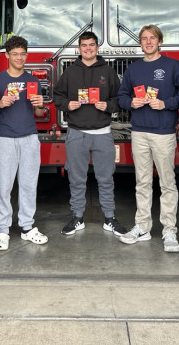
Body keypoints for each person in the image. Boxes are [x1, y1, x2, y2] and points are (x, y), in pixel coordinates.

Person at [117, 25, 179, 252]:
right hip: (139, 132)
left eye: (152, 38)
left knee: (167, 183)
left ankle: (169, 229)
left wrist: (166, 103)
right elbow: (121, 95)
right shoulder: (133, 68)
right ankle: (142, 227)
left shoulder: (173, 66)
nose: (148, 42)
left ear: (160, 41)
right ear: (140, 43)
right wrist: (131, 102)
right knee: (142, 182)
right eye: (144, 39)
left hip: (163, 132)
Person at [53, 31, 128, 237]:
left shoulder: (108, 71)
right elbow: (57, 96)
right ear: (79, 48)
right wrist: (68, 104)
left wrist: (108, 106)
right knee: (76, 178)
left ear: (97, 47)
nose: (88, 48)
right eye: (84, 45)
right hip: (76, 133)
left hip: (103, 133)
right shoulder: (70, 72)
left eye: (91, 45)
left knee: (106, 178)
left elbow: (120, 99)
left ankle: (109, 218)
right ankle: (77, 217)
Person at [0, 36, 48, 250]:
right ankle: (3, 230)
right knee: (3, 185)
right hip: (5, 138)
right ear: (7, 55)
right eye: (15, 54)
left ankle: (27, 227)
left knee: (29, 184)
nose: (19, 58)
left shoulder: (33, 81)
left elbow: (39, 114)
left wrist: (40, 105)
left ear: (26, 55)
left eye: (23, 54)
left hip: (29, 137)